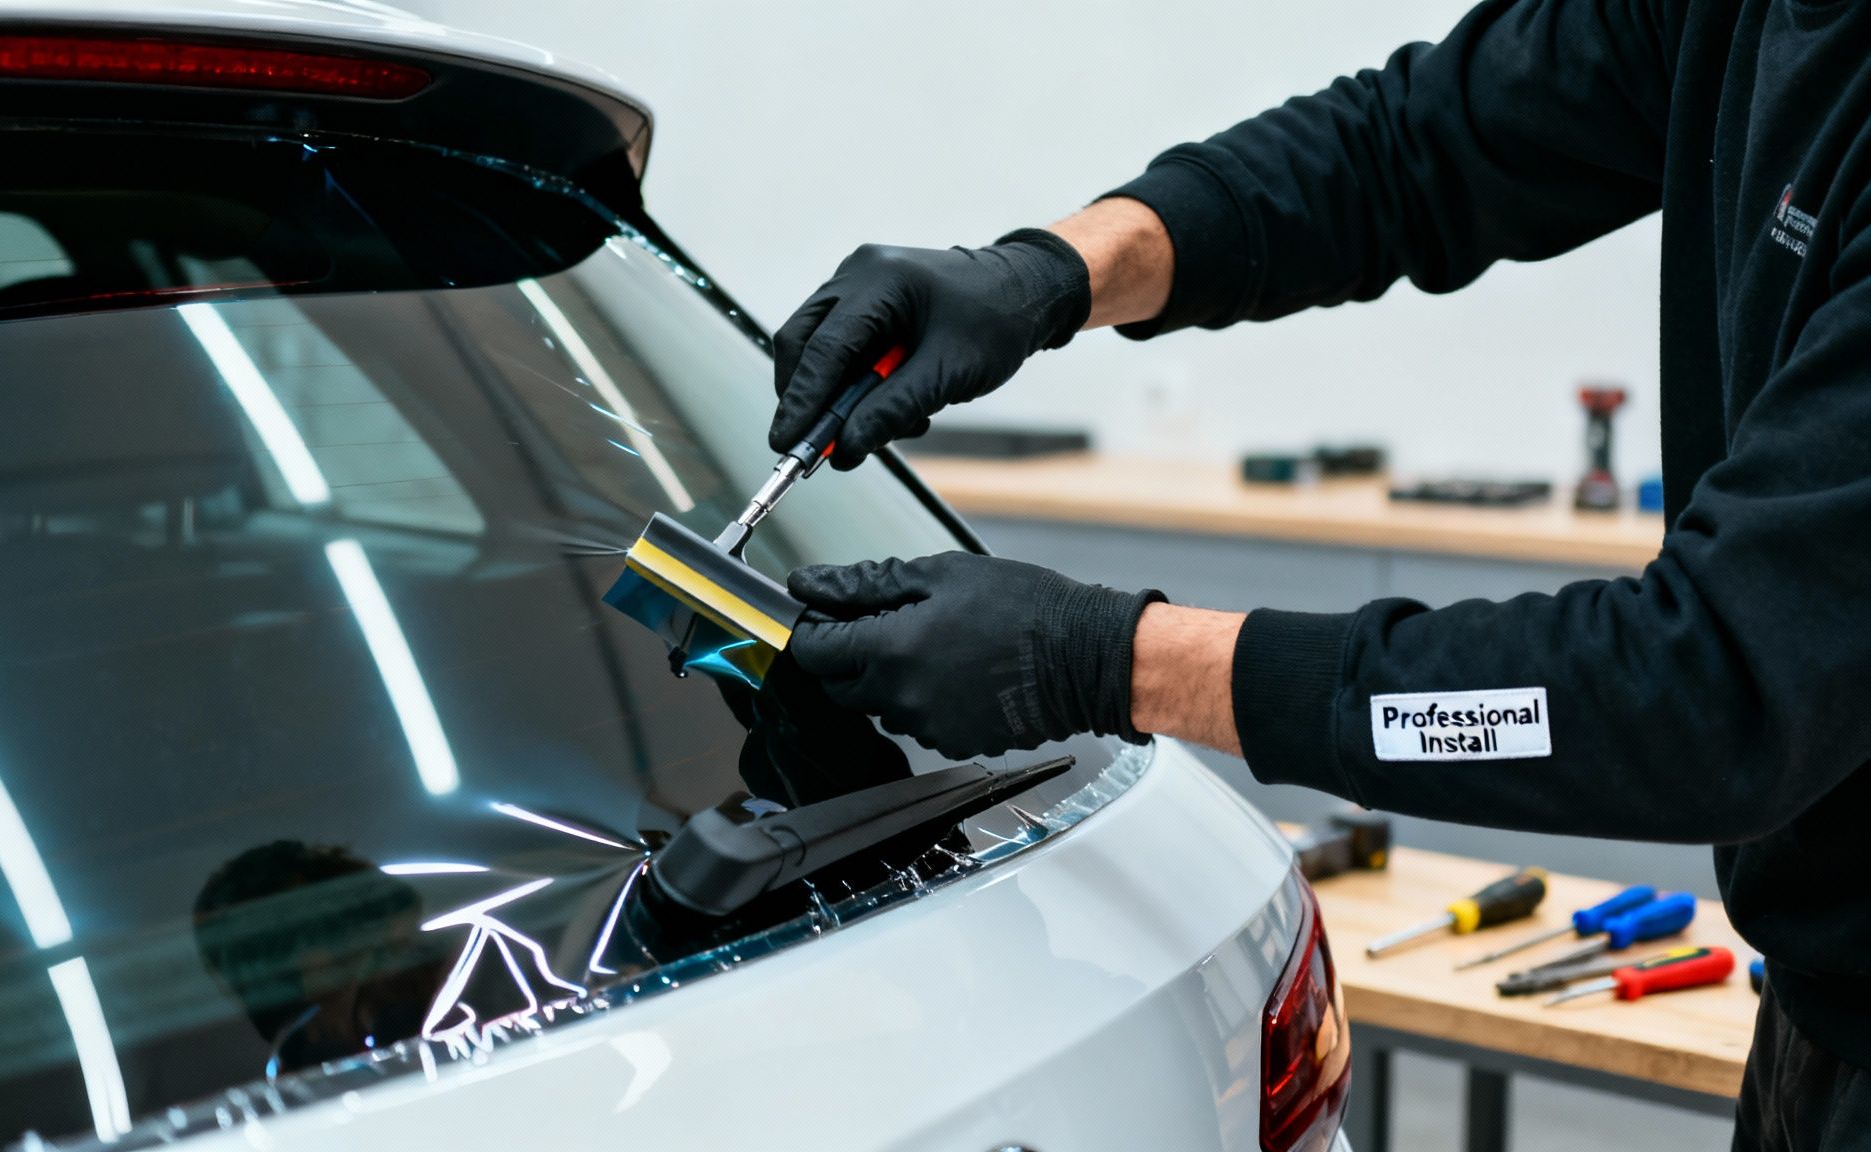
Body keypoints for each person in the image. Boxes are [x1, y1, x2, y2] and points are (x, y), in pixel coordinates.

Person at [767, 2, 1871, 1147]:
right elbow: (1413, 145)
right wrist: (1050, 270)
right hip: (1807, 1002)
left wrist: (1106, 660)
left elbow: (1708, 692)